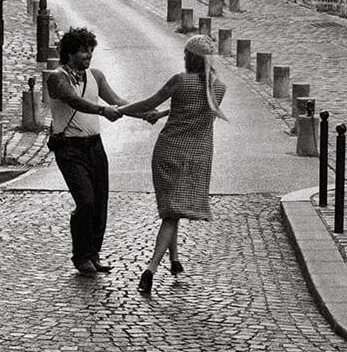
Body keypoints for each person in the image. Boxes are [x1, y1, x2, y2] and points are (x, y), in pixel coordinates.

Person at [116, 34, 228, 295]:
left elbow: (149, 103)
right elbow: (197, 108)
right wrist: (164, 113)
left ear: (190, 57)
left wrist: (118, 111)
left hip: (170, 152)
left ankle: (150, 269)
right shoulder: (219, 88)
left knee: (170, 212)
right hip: (198, 155)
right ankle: (175, 260)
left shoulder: (180, 80)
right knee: (173, 210)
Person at [46, 27, 129, 277]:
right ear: (69, 52)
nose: (88, 55)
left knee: (100, 202)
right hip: (70, 148)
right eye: (83, 50)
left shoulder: (95, 76)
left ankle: (93, 254)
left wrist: (145, 111)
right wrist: (103, 111)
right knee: (85, 201)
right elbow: (74, 101)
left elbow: (117, 101)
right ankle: (80, 255)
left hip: (95, 145)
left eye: (91, 50)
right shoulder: (57, 77)